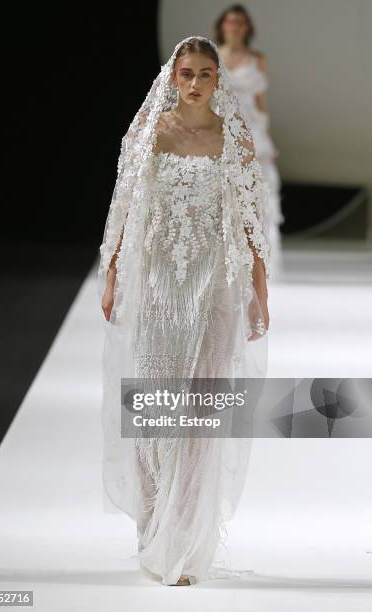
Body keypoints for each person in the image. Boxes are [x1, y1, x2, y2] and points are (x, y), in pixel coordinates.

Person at [96, 35, 270, 586]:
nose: (194, 84)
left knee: (200, 414)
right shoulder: (151, 132)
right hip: (160, 286)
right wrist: (114, 272)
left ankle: (186, 540)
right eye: (186, 73)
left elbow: (250, 220)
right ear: (172, 78)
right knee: (153, 406)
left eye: (205, 75)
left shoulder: (233, 139)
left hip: (215, 283)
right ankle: (154, 525)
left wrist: (259, 291)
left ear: (219, 81)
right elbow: (125, 204)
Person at [214, 4, 285, 280]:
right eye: (230, 22)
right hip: (220, 127)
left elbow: (260, 101)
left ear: (247, 27)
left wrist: (267, 137)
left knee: (259, 188)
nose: (235, 27)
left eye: (240, 22)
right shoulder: (214, 56)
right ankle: (225, 251)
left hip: (252, 130)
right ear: (222, 25)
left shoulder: (257, 58)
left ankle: (259, 251)